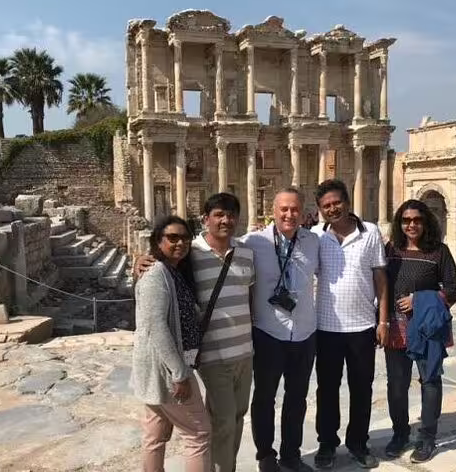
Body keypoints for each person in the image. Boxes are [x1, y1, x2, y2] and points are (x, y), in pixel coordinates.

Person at [135, 193, 256, 472]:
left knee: (234, 416)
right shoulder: (191, 254)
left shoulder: (246, 252)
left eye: (231, 214)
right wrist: (140, 263)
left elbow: (250, 297)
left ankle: (227, 464)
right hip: (209, 355)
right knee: (212, 425)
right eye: (218, 215)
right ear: (205, 219)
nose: (225, 220)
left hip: (243, 351)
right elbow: (154, 314)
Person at [310, 179, 389, 470]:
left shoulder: (370, 232)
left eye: (336, 203)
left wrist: (383, 320)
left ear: (347, 202)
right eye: (326, 206)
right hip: (327, 327)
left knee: (362, 388)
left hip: (362, 326)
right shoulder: (315, 235)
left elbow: (381, 279)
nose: (333, 209)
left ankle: (358, 442)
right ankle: (327, 443)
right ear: (320, 210)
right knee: (327, 389)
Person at [241, 187, 320, 472]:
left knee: (297, 398)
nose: (289, 214)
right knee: (264, 397)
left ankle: (290, 454)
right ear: (273, 211)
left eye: (295, 209)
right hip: (268, 332)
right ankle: (265, 455)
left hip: (304, 332)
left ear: (303, 212)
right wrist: (148, 260)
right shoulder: (253, 242)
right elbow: (216, 254)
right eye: (284, 209)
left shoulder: (314, 241)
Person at [383, 199, 456, 464]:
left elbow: (453, 288)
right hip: (396, 327)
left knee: (430, 381)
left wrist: (419, 299)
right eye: (406, 220)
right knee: (396, 385)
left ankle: (427, 437)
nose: (411, 225)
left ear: (425, 221)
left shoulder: (438, 252)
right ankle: (400, 433)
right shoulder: (391, 250)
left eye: (417, 219)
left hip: (427, 328)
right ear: (399, 223)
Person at [132, 216, 211, 472]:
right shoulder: (156, 274)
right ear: (158, 241)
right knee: (198, 434)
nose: (180, 243)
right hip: (168, 370)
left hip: (156, 370)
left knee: (155, 435)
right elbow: (156, 327)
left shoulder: (173, 271)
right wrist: (179, 373)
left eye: (185, 237)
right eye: (172, 238)